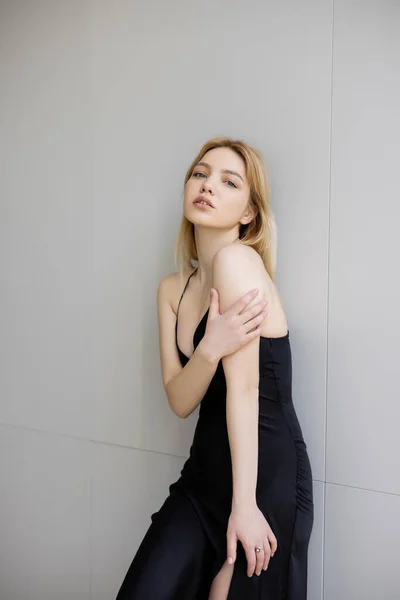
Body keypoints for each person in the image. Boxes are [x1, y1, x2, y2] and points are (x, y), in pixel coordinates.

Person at [115, 137, 314, 599]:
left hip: (264, 477)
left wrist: (244, 506)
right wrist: (209, 349)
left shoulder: (238, 262)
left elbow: (244, 392)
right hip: (203, 477)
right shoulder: (171, 289)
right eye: (200, 174)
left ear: (249, 213)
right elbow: (180, 400)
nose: (208, 186)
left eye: (229, 181)